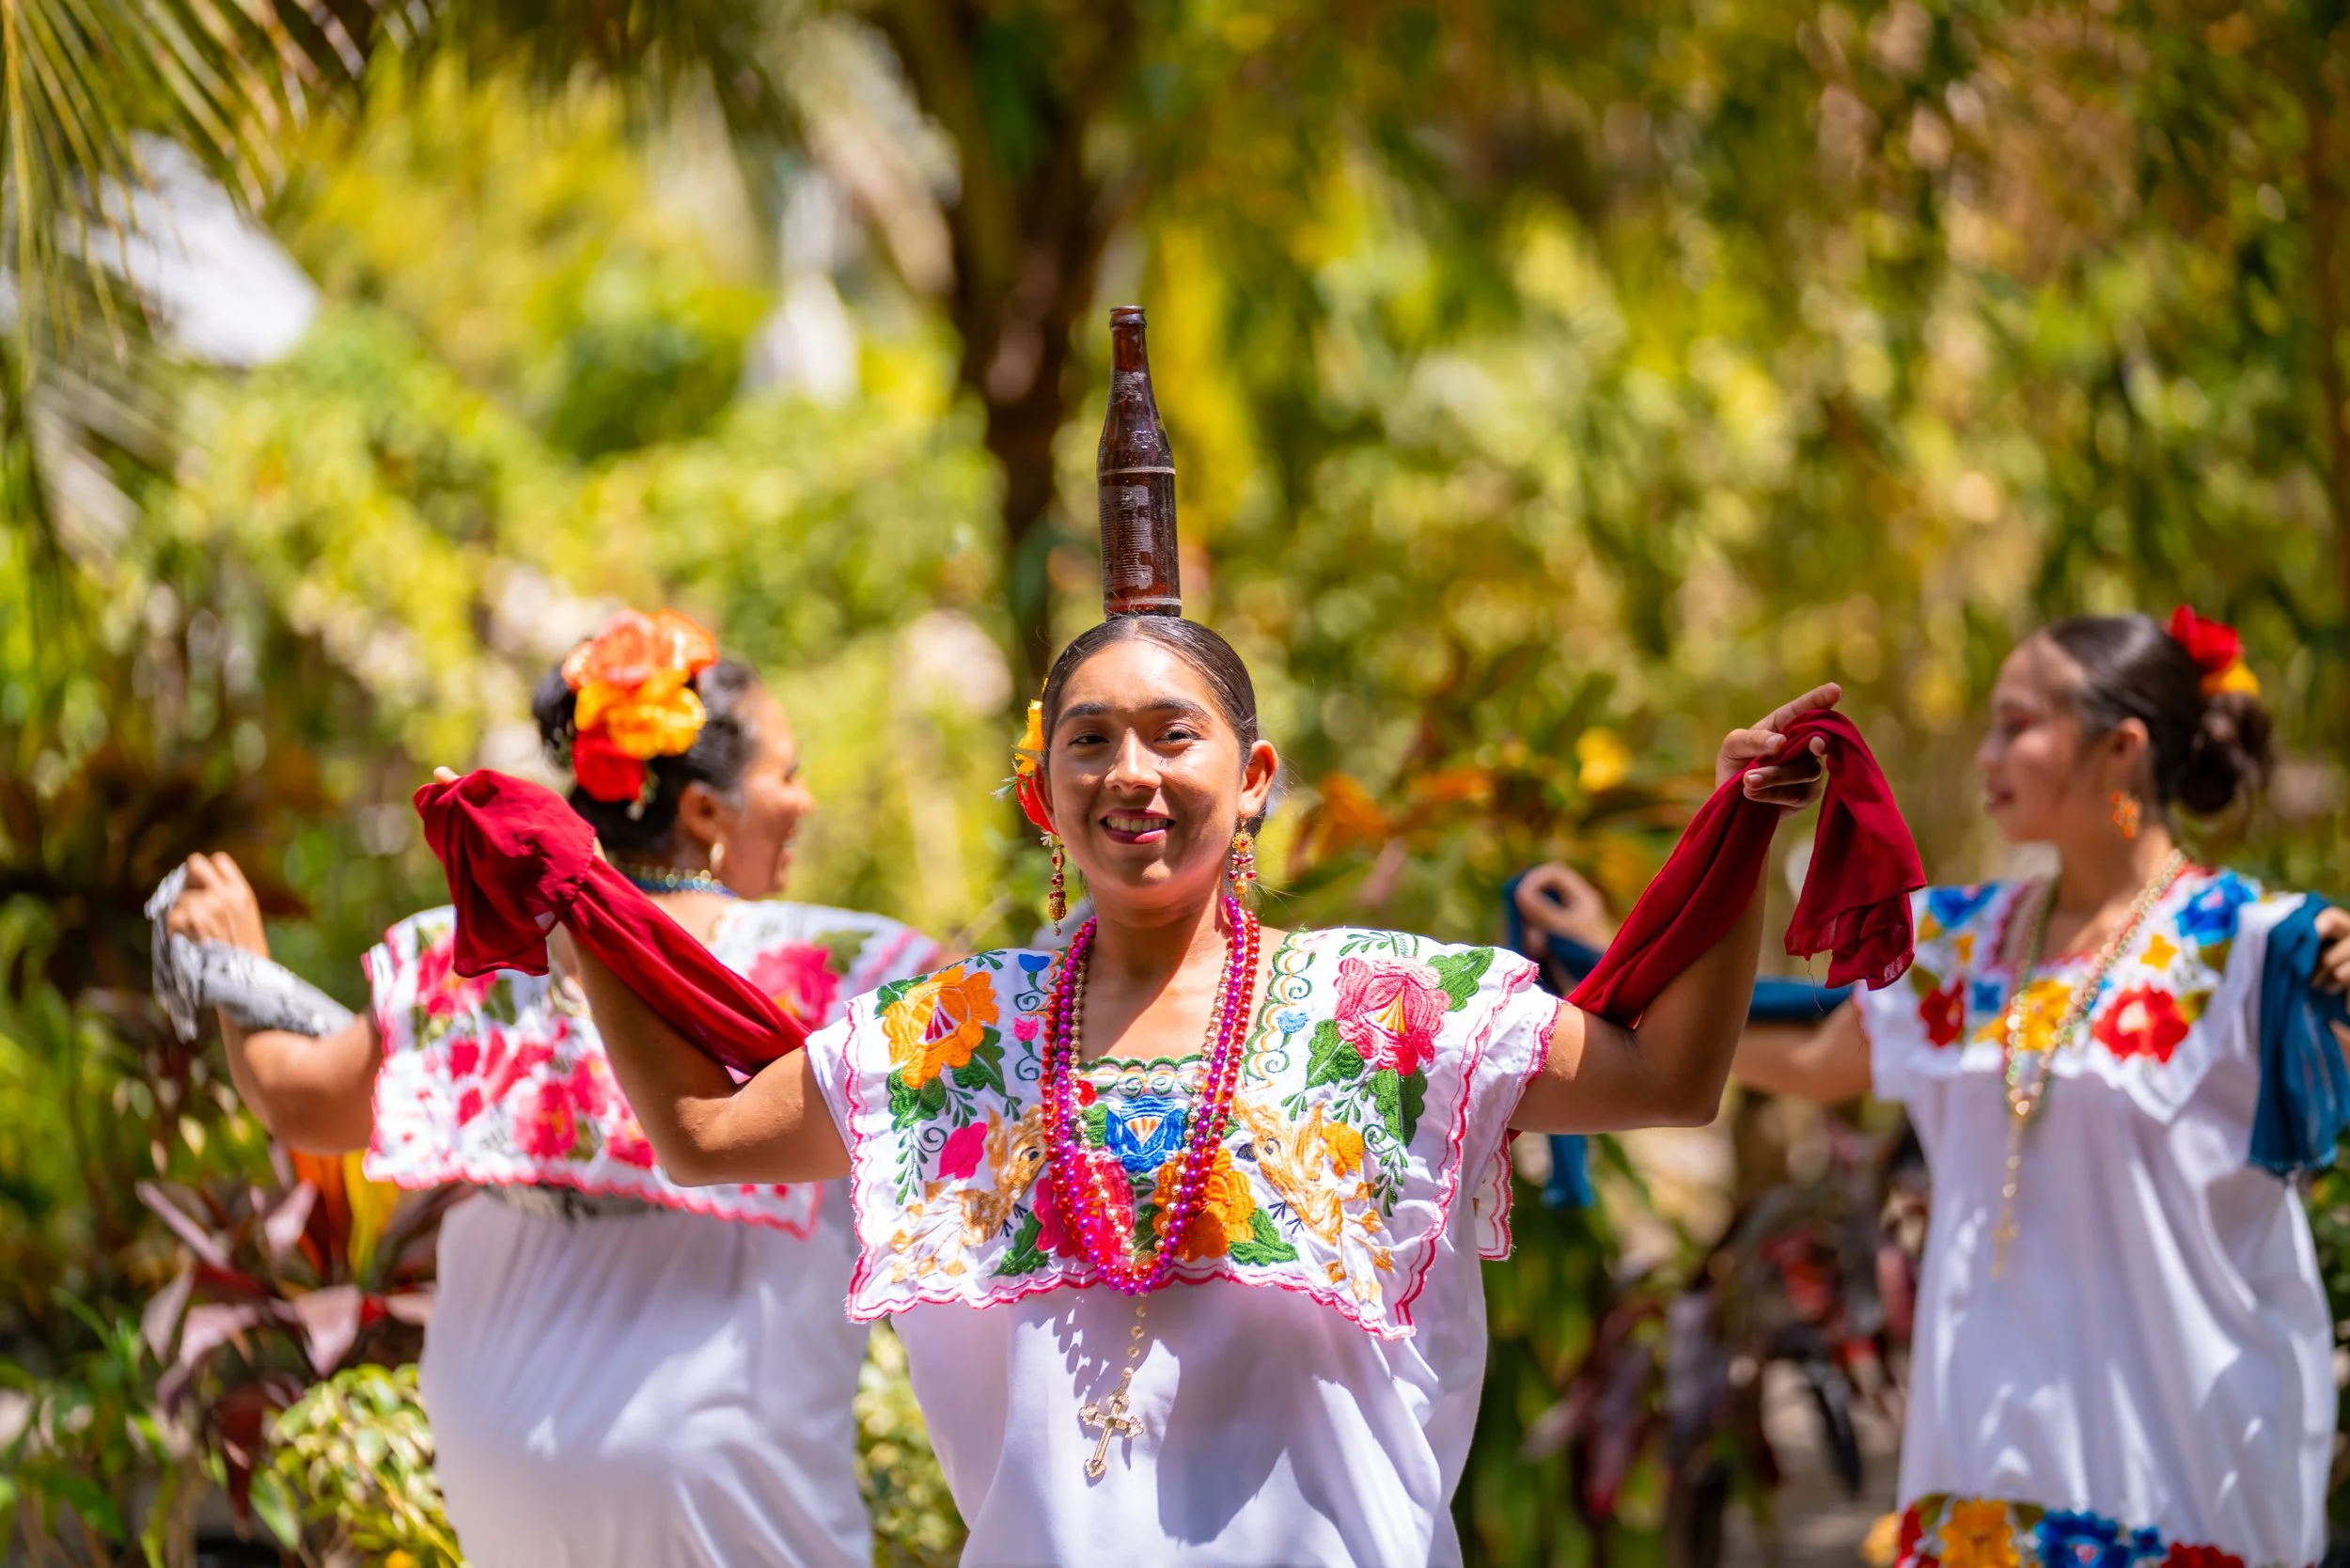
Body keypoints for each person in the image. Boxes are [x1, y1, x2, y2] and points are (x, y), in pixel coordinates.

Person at [480, 601, 1866, 1566]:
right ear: (1043, 795)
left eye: (1172, 734)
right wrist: (580, 894)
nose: (1129, 772)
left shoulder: (1384, 1011)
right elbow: (711, 1130)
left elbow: (1668, 1078)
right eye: (1088, 740)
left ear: (1255, 778)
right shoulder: (948, 1041)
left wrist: (1740, 833)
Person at [164, 608, 940, 1568]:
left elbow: (300, 1098)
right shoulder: (845, 969)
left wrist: (236, 967)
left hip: (501, 1487)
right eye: (787, 774)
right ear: (703, 813)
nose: (805, 801)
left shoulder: (474, 958)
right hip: (734, 1507)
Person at [1731, 608, 2350, 1565]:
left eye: (2015, 725)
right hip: (1981, 1476)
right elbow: (1808, 1061)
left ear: (2120, 749)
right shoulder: (1955, 942)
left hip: (2187, 1476)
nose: (1987, 755)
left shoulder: (2263, 949)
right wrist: (1629, 961)